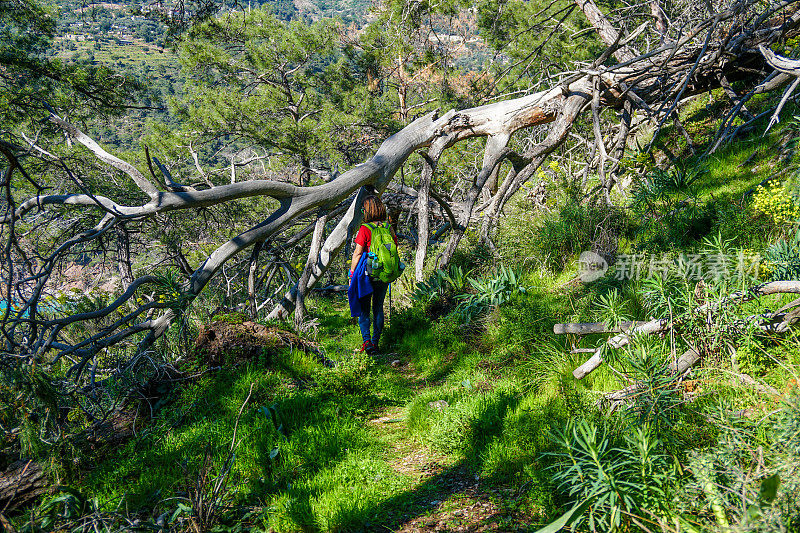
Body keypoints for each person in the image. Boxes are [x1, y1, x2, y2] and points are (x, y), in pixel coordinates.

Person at [349, 194, 398, 355]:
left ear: (366, 210)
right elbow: (394, 247)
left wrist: (351, 274)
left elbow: (357, 254)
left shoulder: (365, 229)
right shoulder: (387, 227)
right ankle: (376, 342)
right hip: (383, 273)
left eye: (363, 209)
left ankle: (367, 342)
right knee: (378, 308)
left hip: (366, 274)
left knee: (365, 309)